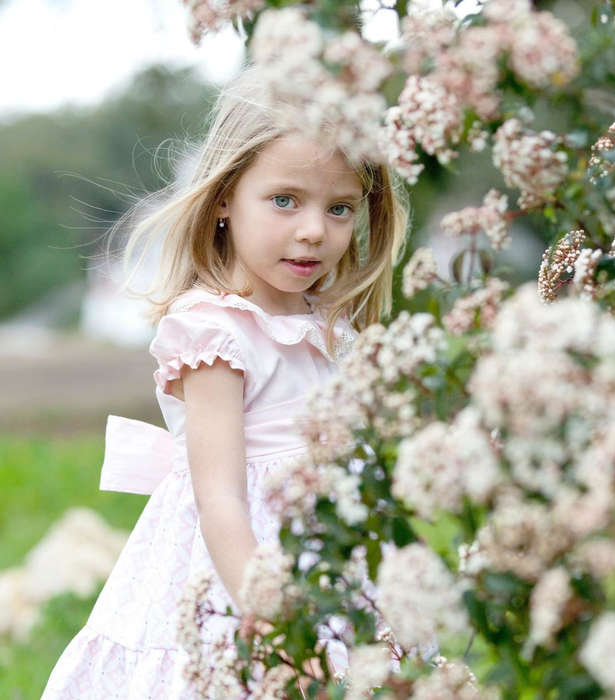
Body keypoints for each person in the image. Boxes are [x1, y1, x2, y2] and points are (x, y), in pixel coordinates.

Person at [41, 67, 408, 699]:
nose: (315, 230)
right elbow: (223, 501)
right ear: (224, 198)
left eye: (339, 208)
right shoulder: (215, 333)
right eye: (285, 200)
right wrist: (277, 631)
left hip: (332, 559)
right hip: (242, 572)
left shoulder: (329, 325)